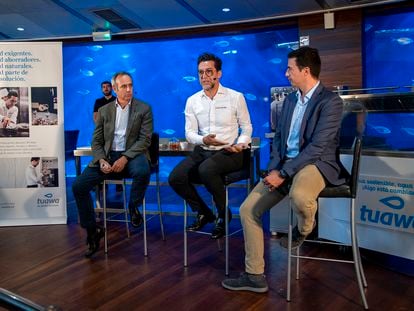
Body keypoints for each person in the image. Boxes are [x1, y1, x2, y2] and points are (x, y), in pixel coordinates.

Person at [222, 46, 345, 292]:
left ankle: (304, 228)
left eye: (290, 68)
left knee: (300, 196)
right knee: (247, 210)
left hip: (315, 164)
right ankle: (254, 275)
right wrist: (272, 170)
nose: (286, 73)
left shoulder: (331, 102)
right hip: (284, 166)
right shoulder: (289, 100)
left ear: (305, 70)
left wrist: (285, 173)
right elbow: (278, 140)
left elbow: (318, 147)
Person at [168, 52, 252, 240]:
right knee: (175, 177)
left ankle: (223, 214)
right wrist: (204, 140)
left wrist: (240, 144)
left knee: (207, 170)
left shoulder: (235, 97)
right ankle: (204, 212)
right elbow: (190, 133)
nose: (204, 76)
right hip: (203, 150)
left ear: (218, 73)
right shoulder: (192, 100)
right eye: (200, 73)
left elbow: (247, 127)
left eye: (208, 71)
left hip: (229, 152)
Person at [72, 71, 153, 258]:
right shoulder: (104, 111)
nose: (128, 89)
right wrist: (101, 160)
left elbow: (145, 140)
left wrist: (124, 158)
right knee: (78, 186)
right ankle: (93, 231)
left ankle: (133, 207)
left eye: (130, 85)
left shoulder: (144, 108)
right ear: (115, 89)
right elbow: (97, 140)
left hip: (133, 154)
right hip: (107, 155)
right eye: (124, 86)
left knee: (143, 171)